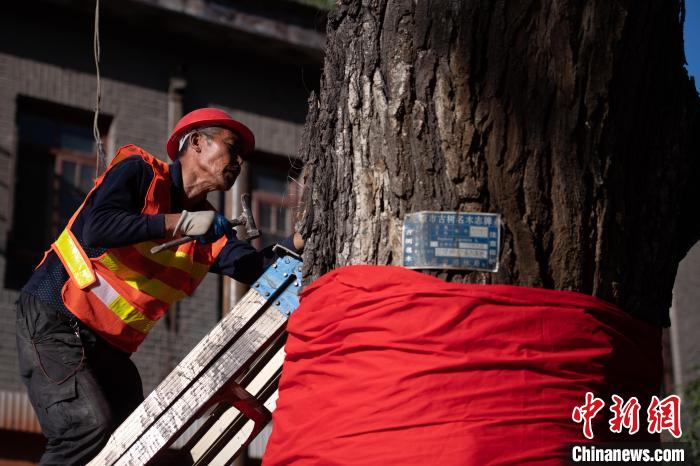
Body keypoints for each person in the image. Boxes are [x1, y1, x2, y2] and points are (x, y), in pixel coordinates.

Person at [15, 108, 304, 465]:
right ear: (197, 142)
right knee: (85, 427)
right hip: (55, 316)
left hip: (108, 348)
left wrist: (300, 246)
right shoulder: (140, 173)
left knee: (134, 444)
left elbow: (255, 267)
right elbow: (98, 227)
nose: (239, 162)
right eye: (232, 148)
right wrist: (182, 223)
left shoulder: (211, 232)